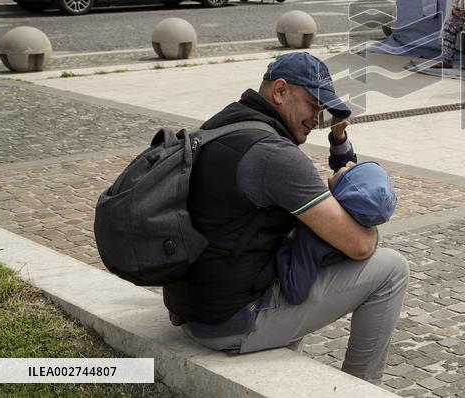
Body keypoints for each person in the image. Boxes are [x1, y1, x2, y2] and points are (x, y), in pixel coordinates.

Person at [162, 52, 409, 385]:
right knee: (392, 268)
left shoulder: (225, 123)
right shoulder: (274, 155)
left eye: (322, 111)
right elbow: (359, 245)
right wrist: (369, 228)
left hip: (193, 304)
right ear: (280, 91)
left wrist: (338, 142)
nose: (317, 119)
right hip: (228, 322)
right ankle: (363, 389)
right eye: (313, 106)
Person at [276, 161, 397, 306]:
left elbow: (295, 292)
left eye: (351, 170)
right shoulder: (355, 223)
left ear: (346, 193)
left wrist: (282, 244)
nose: (349, 163)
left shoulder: (315, 232)